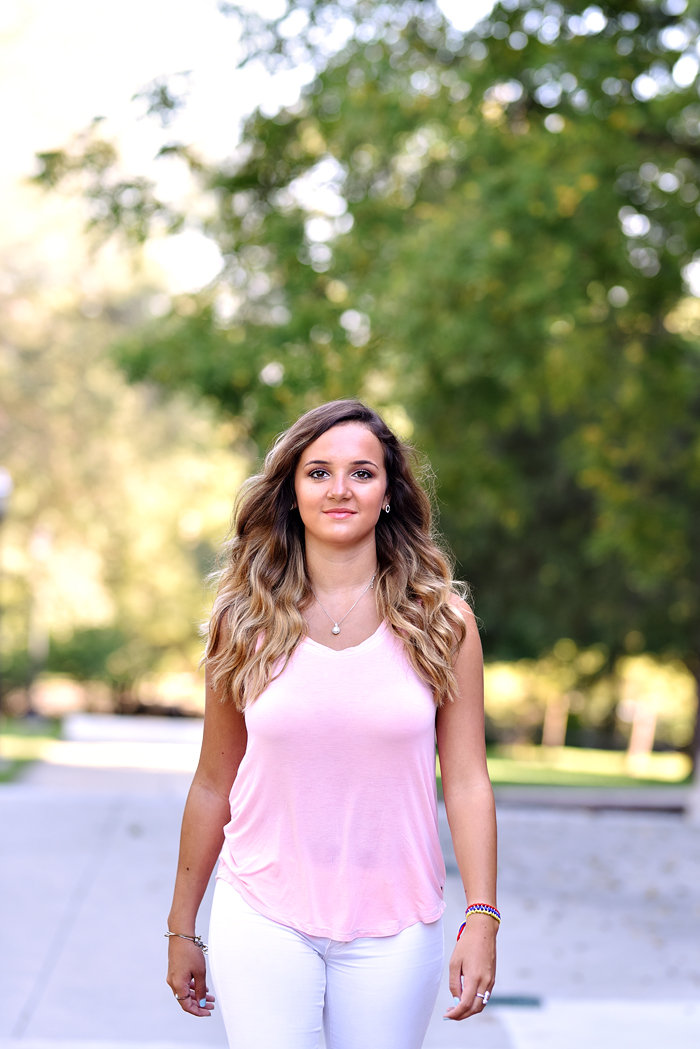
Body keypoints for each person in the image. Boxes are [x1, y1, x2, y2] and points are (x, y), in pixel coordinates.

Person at [165, 399, 498, 1049]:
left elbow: (466, 781)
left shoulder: (443, 623)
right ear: (291, 493)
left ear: (389, 493)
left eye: (362, 473)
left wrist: (482, 915)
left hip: (397, 923)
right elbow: (212, 783)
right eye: (318, 472)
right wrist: (183, 927)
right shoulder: (244, 621)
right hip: (263, 911)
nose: (340, 489)